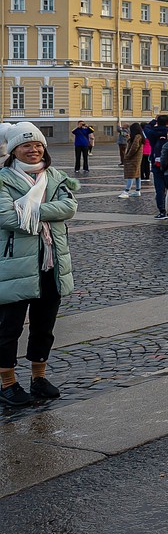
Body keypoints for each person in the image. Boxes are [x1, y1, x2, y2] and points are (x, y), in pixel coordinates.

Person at [0, 122, 79, 407]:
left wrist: (30, 209)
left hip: (51, 263)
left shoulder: (55, 177)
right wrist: (45, 213)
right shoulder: (3, 179)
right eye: (26, 145)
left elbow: (69, 207)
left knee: (44, 326)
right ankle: (7, 383)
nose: (33, 150)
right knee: (9, 329)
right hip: (14, 266)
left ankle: (39, 378)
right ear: (14, 151)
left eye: (37, 145)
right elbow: (7, 218)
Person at [143, 115, 168, 218]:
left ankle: (162, 211)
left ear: (157, 122)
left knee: (159, 189)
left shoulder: (152, 132)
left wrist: (153, 120)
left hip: (156, 163)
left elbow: (145, 127)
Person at [120, 123, 145, 197]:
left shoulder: (137, 137)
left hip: (133, 158)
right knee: (137, 174)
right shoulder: (139, 136)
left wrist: (127, 156)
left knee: (130, 175)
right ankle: (138, 190)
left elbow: (134, 147)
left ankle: (126, 191)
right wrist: (129, 138)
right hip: (137, 158)